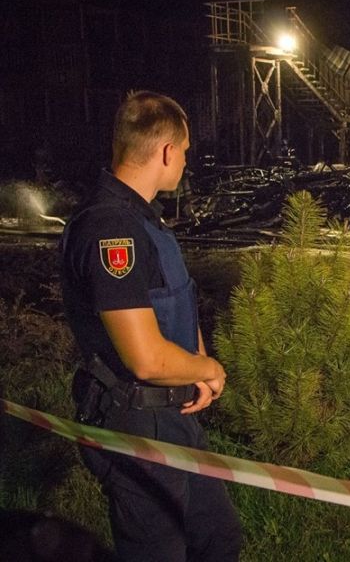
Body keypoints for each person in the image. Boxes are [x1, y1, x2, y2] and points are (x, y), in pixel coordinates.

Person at [59, 91, 242, 562]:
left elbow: (172, 299)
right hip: (138, 422)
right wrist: (210, 368)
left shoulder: (143, 219)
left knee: (217, 538)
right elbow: (145, 359)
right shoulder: (110, 230)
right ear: (166, 152)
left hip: (174, 415)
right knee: (158, 551)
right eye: (185, 151)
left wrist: (194, 367)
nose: (186, 161)